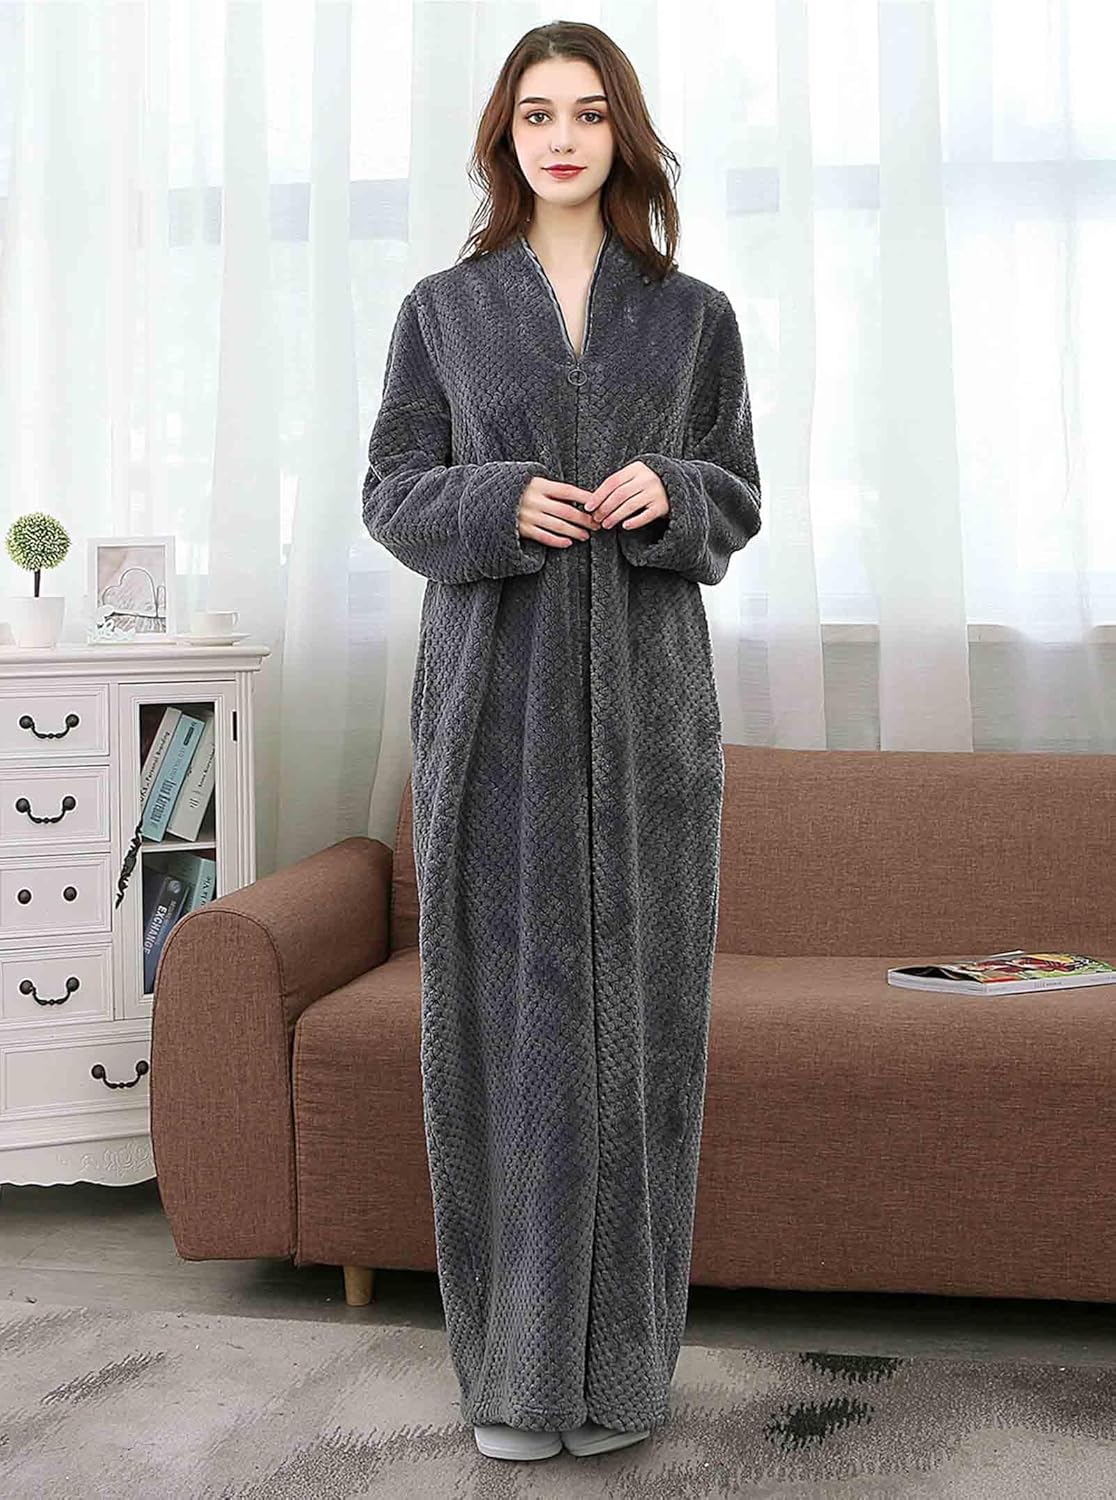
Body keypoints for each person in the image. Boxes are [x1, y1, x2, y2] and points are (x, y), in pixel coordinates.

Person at [362, 19, 762, 1467]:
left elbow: (739, 491)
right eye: (537, 114)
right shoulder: (444, 311)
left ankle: (622, 1382)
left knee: (641, 1045)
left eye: (588, 112)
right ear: (505, 137)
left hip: (652, 723)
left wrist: (674, 492)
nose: (563, 137)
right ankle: (515, 1383)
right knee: (504, 1041)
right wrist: (495, 502)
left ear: (622, 133)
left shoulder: (694, 315)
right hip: (494, 718)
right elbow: (390, 491)